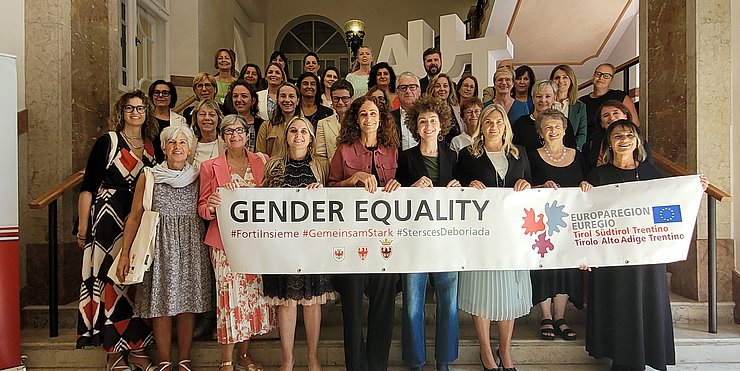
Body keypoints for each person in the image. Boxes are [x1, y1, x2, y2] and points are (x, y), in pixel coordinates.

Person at [580, 119, 707, 371]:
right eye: (617, 136)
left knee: (645, 304)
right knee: (617, 305)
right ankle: (622, 361)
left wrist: (695, 189)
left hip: (646, 256)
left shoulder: (650, 173)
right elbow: (587, 215)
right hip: (612, 257)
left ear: (637, 141)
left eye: (629, 135)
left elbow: (670, 202)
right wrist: (584, 191)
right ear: (609, 143)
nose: (624, 140)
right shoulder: (598, 175)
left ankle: (646, 357)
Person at [116, 125, 212, 371]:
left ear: (190, 149)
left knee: (188, 304)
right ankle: (165, 361)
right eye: (172, 143)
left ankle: (185, 360)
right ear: (164, 148)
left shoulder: (199, 175)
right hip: (159, 247)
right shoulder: (149, 176)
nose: (177, 147)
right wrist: (125, 253)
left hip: (191, 246)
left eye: (182, 143)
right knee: (161, 304)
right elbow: (135, 215)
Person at [76, 90, 157, 371]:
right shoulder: (108, 142)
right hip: (108, 219)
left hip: (140, 219)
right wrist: (83, 228)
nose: (135, 113)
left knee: (136, 283)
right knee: (110, 281)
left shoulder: (151, 145)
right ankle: (113, 351)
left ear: (147, 113)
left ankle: (136, 347)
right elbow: (88, 186)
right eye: (130, 108)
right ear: (120, 111)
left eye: (141, 108)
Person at [456, 103, 532, 371]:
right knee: (482, 289)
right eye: (487, 121)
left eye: (498, 121)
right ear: (480, 125)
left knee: (509, 293)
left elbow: (530, 185)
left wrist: (526, 185)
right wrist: (468, 186)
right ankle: (486, 351)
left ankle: (505, 350)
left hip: (512, 235)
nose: (493, 126)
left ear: (505, 126)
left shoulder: (519, 153)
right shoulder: (468, 155)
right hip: (481, 236)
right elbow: (455, 189)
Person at [328, 96, 401, 371]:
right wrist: (353, 179)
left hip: (385, 240)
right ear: (356, 120)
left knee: (384, 305)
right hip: (351, 240)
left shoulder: (393, 150)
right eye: (363, 115)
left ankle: (377, 365)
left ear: (380, 118)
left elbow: (404, 194)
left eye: (373, 114)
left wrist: (398, 185)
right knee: (353, 307)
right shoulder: (344, 151)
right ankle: (356, 366)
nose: (369, 119)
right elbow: (329, 189)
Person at [198, 114, 275, 371]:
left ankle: (244, 355)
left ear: (247, 134)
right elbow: (202, 207)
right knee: (229, 299)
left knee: (250, 299)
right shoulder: (210, 166)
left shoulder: (261, 161)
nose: (234, 135)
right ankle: (226, 360)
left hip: (256, 242)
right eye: (228, 131)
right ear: (222, 136)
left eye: (239, 130)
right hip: (223, 244)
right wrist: (210, 205)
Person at [262, 117, 334, 371]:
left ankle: (313, 357)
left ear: (312, 137)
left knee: (313, 301)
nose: (299, 135)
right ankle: (287, 359)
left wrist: (321, 192)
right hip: (282, 243)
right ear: (287, 136)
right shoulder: (273, 165)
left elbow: (333, 199)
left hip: (313, 241)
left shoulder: (321, 165)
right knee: (286, 301)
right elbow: (262, 202)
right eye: (293, 130)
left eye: (304, 131)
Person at [396, 95, 460, 371]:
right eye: (423, 121)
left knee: (449, 303)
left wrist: (462, 186)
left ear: (442, 124)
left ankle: (444, 361)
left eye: (433, 120)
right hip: (415, 242)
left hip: (447, 242)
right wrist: (411, 185)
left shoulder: (454, 157)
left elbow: (471, 192)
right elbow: (395, 193)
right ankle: (416, 361)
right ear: (415, 126)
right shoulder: (406, 157)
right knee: (412, 305)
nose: (428, 125)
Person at [527, 109, 584, 343]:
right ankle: (546, 316)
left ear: (565, 129)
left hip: (570, 224)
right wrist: (540, 185)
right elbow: (524, 185)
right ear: (541, 132)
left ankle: (561, 317)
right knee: (544, 268)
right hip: (541, 225)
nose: (553, 131)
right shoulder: (531, 155)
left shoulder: (578, 155)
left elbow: (588, 182)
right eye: (547, 127)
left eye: (557, 126)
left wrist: (585, 186)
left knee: (566, 268)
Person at [582, 100, 654, 173]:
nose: (612, 118)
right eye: (606, 115)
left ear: (625, 116)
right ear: (601, 123)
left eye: (615, 113)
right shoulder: (591, 145)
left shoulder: (640, 142)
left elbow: (648, 171)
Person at [579, 63, 640, 142]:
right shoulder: (582, 101)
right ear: (593, 76)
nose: (601, 78)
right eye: (598, 74)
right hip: (590, 145)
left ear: (611, 80)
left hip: (616, 142)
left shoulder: (620, 96)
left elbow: (634, 123)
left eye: (606, 76)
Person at [512, 80, 577, 152]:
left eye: (548, 96)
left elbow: (571, 150)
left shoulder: (563, 122)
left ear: (554, 98)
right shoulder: (521, 123)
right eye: (539, 96)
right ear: (533, 99)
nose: (543, 100)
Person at [257, 83, 300, 157]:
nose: (287, 100)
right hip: (273, 168)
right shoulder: (266, 127)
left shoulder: (305, 126)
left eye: (291, 96)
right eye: (283, 96)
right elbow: (260, 157)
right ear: (277, 100)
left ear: (298, 101)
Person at [550, 65, 587, 150]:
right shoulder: (546, 103)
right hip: (549, 150)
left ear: (571, 80)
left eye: (565, 77)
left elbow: (582, 134)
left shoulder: (580, 106)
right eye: (557, 78)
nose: (561, 81)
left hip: (572, 151)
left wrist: (571, 150)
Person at [148, 80, 187, 162]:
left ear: (171, 97)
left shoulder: (180, 120)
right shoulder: (146, 118)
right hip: (147, 163)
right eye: (156, 92)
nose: (161, 96)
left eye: (165, 93)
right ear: (152, 96)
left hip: (171, 164)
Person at [316, 79, 354, 160]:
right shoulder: (323, 124)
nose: (340, 102)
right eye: (336, 98)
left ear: (352, 99)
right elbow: (320, 156)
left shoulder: (359, 122)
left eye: (345, 98)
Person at [224, 80, 265, 153]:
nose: (239, 100)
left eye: (244, 96)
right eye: (235, 96)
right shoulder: (226, 124)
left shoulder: (262, 125)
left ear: (253, 100)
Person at [427, 73, 463, 147]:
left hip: (455, 154)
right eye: (437, 86)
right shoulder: (427, 111)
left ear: (450, 89)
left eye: (445, 86)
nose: (442, 89)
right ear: (432, 89)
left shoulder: (457, 110)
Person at [189, 99, 226, 169]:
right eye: (202, 114)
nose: (207, 118)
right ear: (196, 119)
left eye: (212, 115)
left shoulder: (226, 144)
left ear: (219, 119)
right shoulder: (189, 144)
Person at [392, 72, 422, 150]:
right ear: (396, 92)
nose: (408, 91)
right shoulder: (389, 118)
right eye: (403, 87)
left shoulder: (428, 117)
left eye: (412, 87)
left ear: (419, 91)